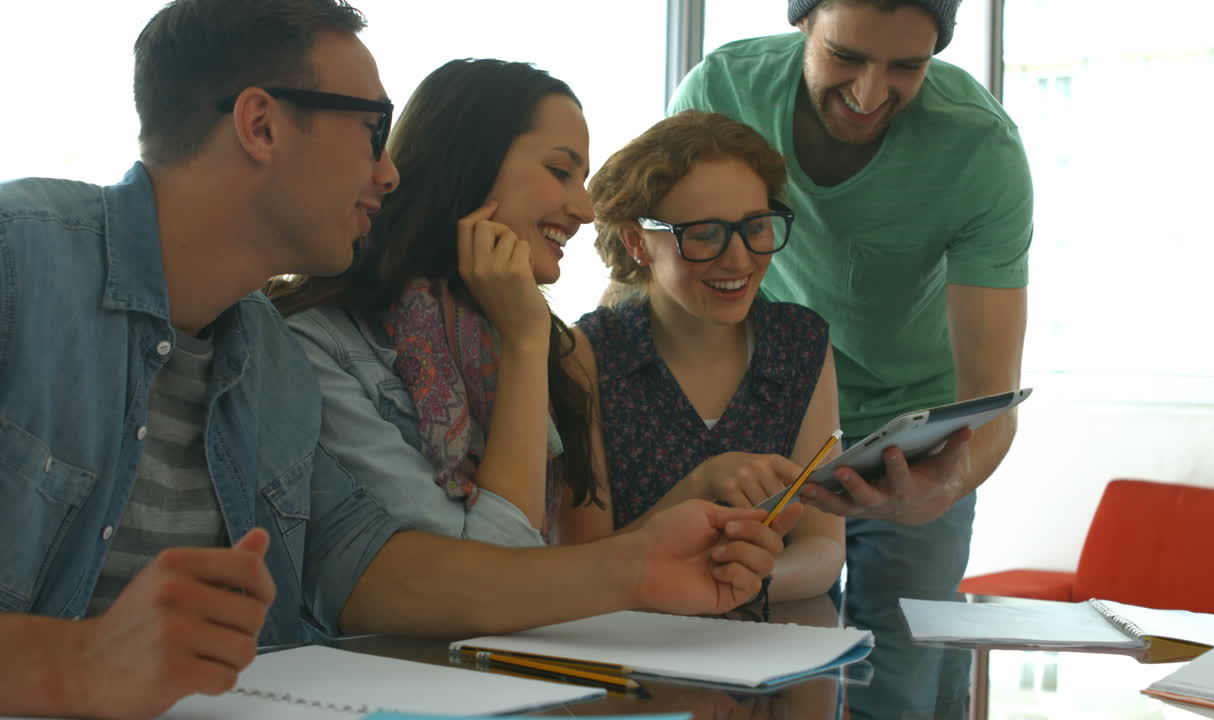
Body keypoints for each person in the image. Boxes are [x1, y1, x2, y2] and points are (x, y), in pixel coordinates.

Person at [0, 2, 799, 717]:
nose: (389, 171)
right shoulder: (19, 259)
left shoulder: (266, 357)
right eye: (370, 132)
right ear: (261, 125)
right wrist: (74, 662)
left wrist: (639, 566)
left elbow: (373, 574)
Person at [271, 60, 805, 551]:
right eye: (559, 172)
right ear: (469, 164)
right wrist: (527, 341)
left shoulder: (541, 342)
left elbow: (550, 571)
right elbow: (498, 570)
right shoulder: (323, 344)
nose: (585, 209)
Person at [667, 0, 1032, 715]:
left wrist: (946, 484)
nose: (870, 95)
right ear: (802, 22)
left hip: (915, 433)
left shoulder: (979, 148)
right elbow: (659, 258)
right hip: (766, 414)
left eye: (907, 67)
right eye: (847, 56)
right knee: (746, 658)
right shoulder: (725, 92)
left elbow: (993, 393)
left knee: (899, 682)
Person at [563, 110, 846, 604]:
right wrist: (699, 483)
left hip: (770, 643)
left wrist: (751, 581)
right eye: (704, 234)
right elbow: (581, 559)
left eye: (755, 227)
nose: (738, 259)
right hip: (628, 650)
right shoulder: (587, 353)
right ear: (636, 241)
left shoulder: (802, 343)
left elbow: (823, 544)